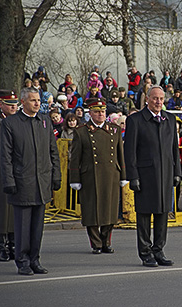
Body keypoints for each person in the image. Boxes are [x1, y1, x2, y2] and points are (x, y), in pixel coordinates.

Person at [0, 87, 61, 275]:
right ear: (23, 102)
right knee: (23, 227)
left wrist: (56, 176)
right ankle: (22, 261)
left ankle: (35, 259)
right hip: (22, 183)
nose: (37, 103)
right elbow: (6, 156)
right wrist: (8, 181)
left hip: (41, 182)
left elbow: (53, 152)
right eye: (33, 100)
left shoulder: (44, 121)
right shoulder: (11, 123)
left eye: (38, 100)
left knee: (37, 227)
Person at [124, 85, 182, 267]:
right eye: (155, 98)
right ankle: (145, 253)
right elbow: (130, 151)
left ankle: (159, 250)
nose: (158, 102)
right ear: (147, 99)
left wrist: (177, 172)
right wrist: (133, 176)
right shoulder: (136, 120)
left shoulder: (170, 119)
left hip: (165, 174)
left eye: (161, 99)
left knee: (163, 214)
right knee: (143, 216)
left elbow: (175, 149)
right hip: (145, 175)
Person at [70, 98, 127, 254]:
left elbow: (120, 155)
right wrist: (74, 179)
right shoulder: (81, 131)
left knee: (110, 210)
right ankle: (96, 243)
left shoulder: (114, 130)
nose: (100, 114)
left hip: (111, 175)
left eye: (102, 111)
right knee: (92, 210)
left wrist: (123, 175)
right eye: (97, 112)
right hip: (90, 176)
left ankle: (106, 241)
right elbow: (75, 157)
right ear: (90, 113)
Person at [0, 90, 18, 261]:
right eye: (9, 104)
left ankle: (14, 245)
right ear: (1, 104)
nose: (13, 107)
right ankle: (2, 247)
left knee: (15, 210)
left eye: (15, 103)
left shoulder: (18, 122)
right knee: (1, 211)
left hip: (16, 171)